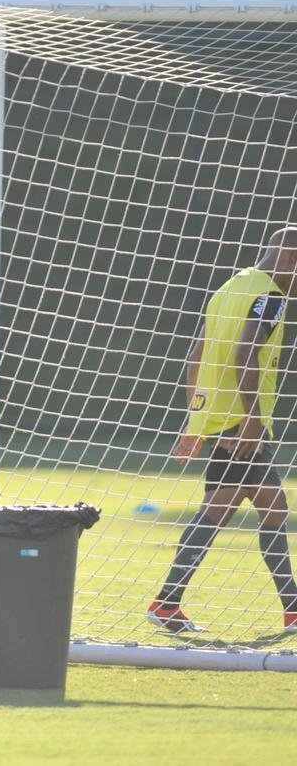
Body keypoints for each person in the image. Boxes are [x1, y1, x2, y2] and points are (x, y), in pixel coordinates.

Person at [151, 227, 297, 634]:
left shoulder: (230, 287)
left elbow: (196, 354)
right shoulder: (269, 297)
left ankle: (292, 609)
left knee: (267, 507)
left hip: (219, 420)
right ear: (291, 260)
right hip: (241, 423)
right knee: (227, 510)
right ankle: (166, 602)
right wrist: (251, 419)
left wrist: (195, 422)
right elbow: (245, 353)